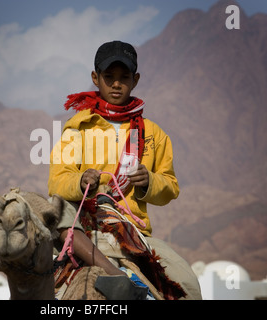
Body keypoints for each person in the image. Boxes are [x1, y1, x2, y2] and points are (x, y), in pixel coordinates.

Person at [48, 40, 201, 300]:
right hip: (85, 223)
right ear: (96, 78)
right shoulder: (78, 127)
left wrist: (148, 182)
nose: (116, 84)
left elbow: (170, 187)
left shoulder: (154, 134)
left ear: (136, 79)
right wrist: (80, 180)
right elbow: (57, 181)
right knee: (57, 210)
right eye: (109, 77)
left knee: (188, 283)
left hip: (132, 229)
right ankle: (114, 275)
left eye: (124, 77)